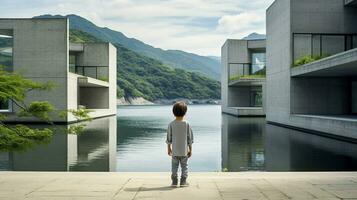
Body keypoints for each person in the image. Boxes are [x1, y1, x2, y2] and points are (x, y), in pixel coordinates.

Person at [166, 101, 193, 187]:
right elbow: (190, 138)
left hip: (175, 151)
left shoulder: (171, 124)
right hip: (184, 151)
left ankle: (174, 181)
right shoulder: (187, 124)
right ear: (185, 112)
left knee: (174, 166)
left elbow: (168, 138)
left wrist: (169, 148)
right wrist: (190, 149)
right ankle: (183, 182)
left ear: (173, 112)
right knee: (184, 166)